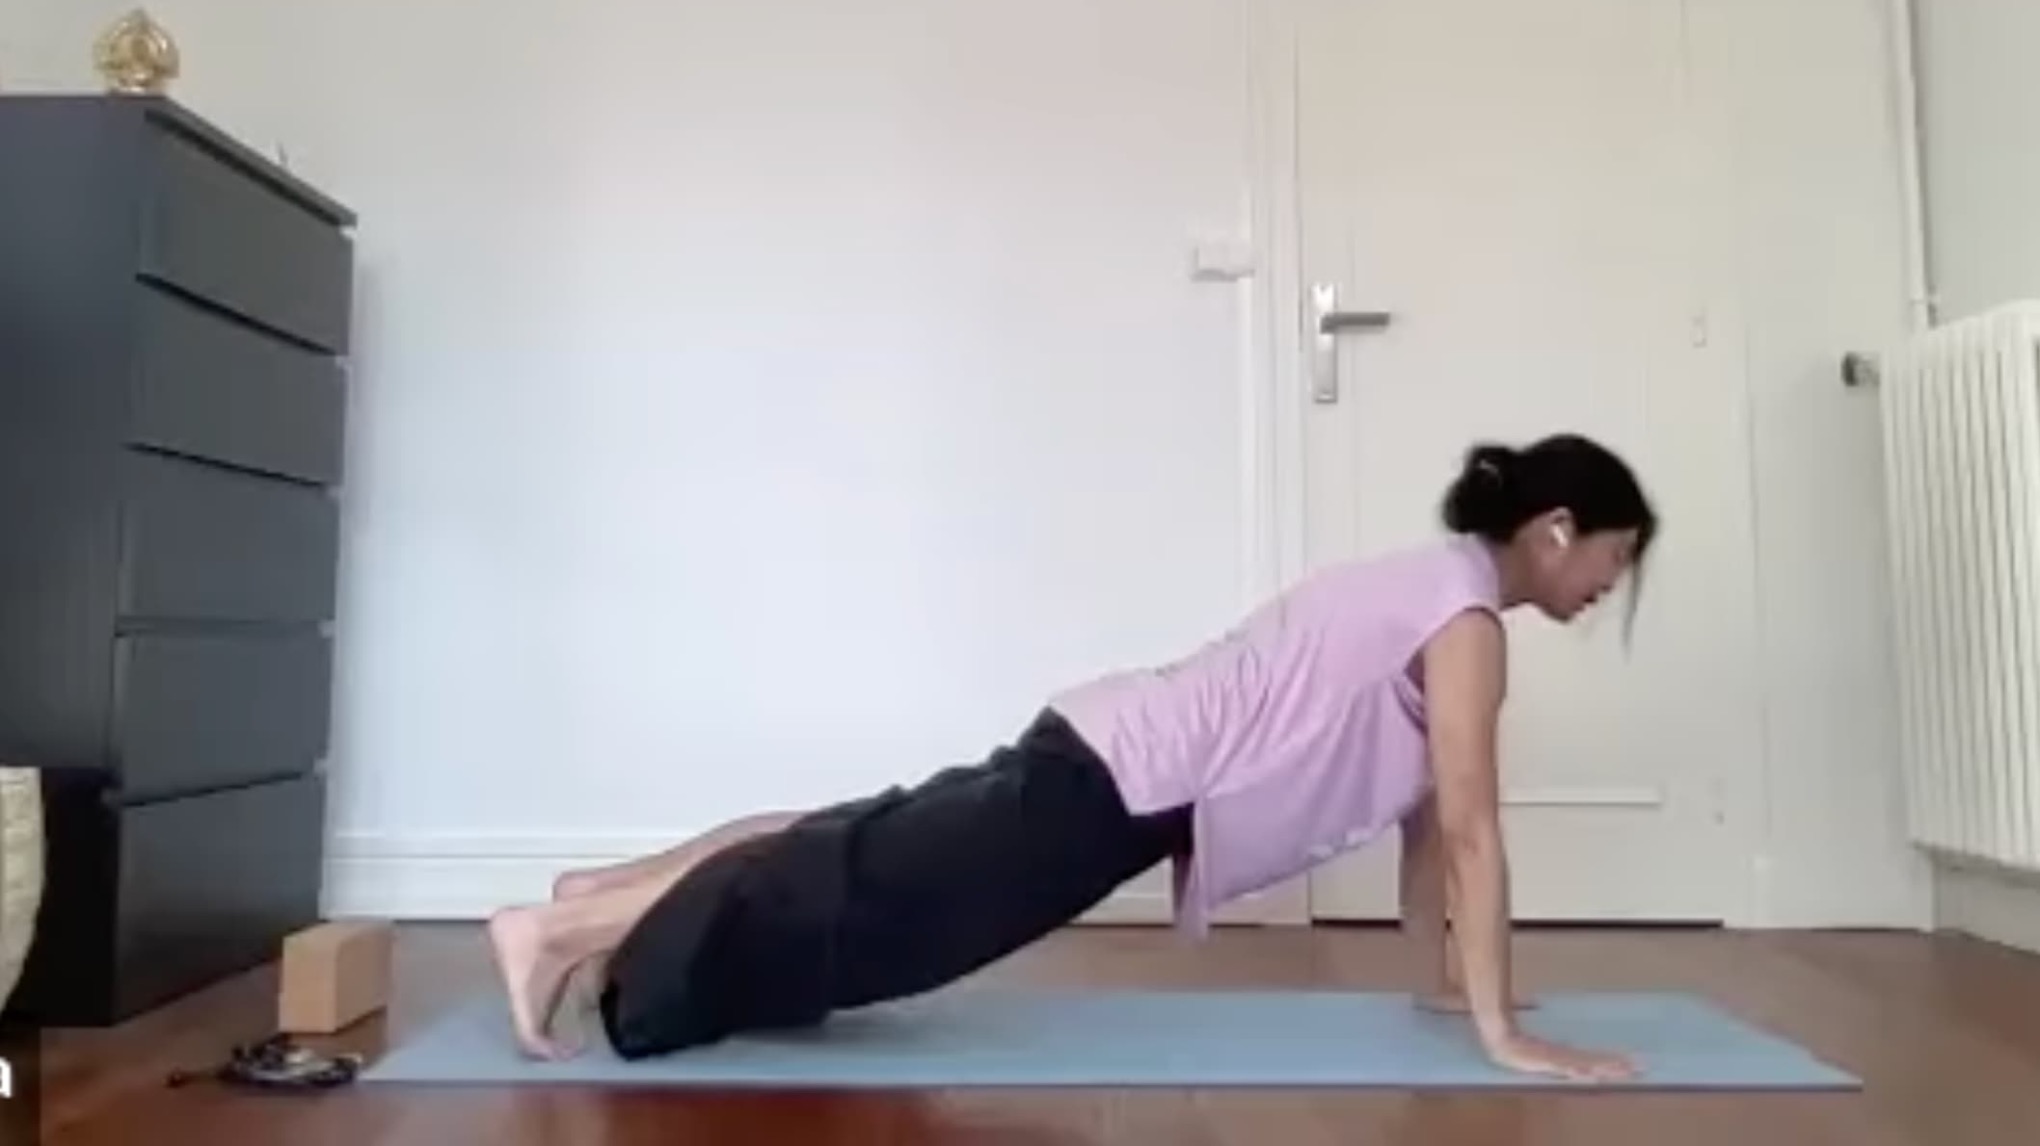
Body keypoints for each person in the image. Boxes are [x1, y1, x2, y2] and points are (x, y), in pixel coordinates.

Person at [487, 432, 1656, 1083]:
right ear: (1557, 531)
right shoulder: (1463, 622)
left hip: (1111, 755)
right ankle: (563, 930)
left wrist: (1448, 989)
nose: (1612, 583)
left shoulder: (1436, 588)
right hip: (1118, 783)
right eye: (1616, 555)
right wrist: (1504, 1036)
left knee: (858, 839)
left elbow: (1430, 831)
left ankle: (602, 895)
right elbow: (1473, 835)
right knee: (859, 881)